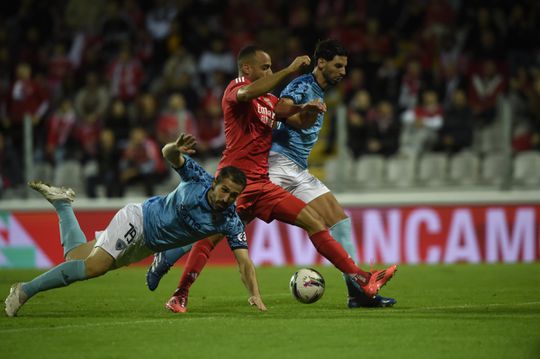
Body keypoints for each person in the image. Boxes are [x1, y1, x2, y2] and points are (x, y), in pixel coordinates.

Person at [146, 45, 397, 313]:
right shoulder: (237, 89)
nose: (269, 71)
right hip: (236, 181)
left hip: (263, 182)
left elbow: (292, 117)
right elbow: (250, 93)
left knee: (314, 221)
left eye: (270, 67)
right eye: (265, 67)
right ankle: (179, 291)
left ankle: (361, 281)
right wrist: (288, 70)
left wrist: (309, 108)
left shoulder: (267, 101)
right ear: (247, 69)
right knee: (210, 235)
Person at [4, 133, 266, 317]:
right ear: (215, 183)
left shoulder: (230, 219)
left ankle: (62, 204)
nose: (227, 198)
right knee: (95, 267)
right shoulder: (197, 178)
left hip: (145, 246)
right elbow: (167, 154)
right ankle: (25, 291)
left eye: (233, 195)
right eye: (224, 190)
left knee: (75, 258)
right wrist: (175, 148)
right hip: (138, 220)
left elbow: (244, 262)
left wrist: (255, 294)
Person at [269, 39, 396, 308]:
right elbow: (278, 109)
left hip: (295, 169)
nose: (343, 71)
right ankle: (172, 256)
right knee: (227, 220)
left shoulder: (320, 91)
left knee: (340, 221)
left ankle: (359, 294)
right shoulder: (303, 85)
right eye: (338, 65)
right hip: (276, 164)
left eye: (345, 66)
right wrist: (305, 108)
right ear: (321, 63)